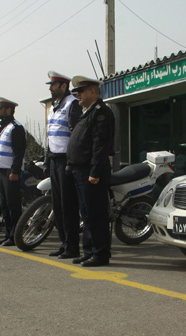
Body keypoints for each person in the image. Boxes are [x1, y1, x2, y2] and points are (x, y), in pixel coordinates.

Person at [67, 76, 115, 267]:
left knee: (96, 214)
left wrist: (94, 172)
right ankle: (89, 251)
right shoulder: (86, 112)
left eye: (82, 91)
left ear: (93, 92)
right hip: (80, 171)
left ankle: (101, 254)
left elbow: (100, 146)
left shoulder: (101, 113)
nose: (78, 95)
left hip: (92, 173)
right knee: (86, 214)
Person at [44, 71, 82, 259]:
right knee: (57, 205)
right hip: (54, 160)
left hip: (66, 161)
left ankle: (72, 246)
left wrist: (71, 161)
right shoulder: (54, 107)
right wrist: (47, 160)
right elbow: (50, 135)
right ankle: (64, 242)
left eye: (53, 85)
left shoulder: (72, 104)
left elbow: (75, 135)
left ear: (63, 86)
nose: (50, 89)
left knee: (68, 205)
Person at [0, 97, 27, 246]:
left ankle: (15, 235)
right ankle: (8, 234)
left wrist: (15, 171)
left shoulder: (16, 127)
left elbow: (19, 152)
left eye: (0, 109)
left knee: (13, 206)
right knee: (5, 205)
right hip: (2, 172)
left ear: (8, 110)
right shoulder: (3, 127)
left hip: (11, 173)